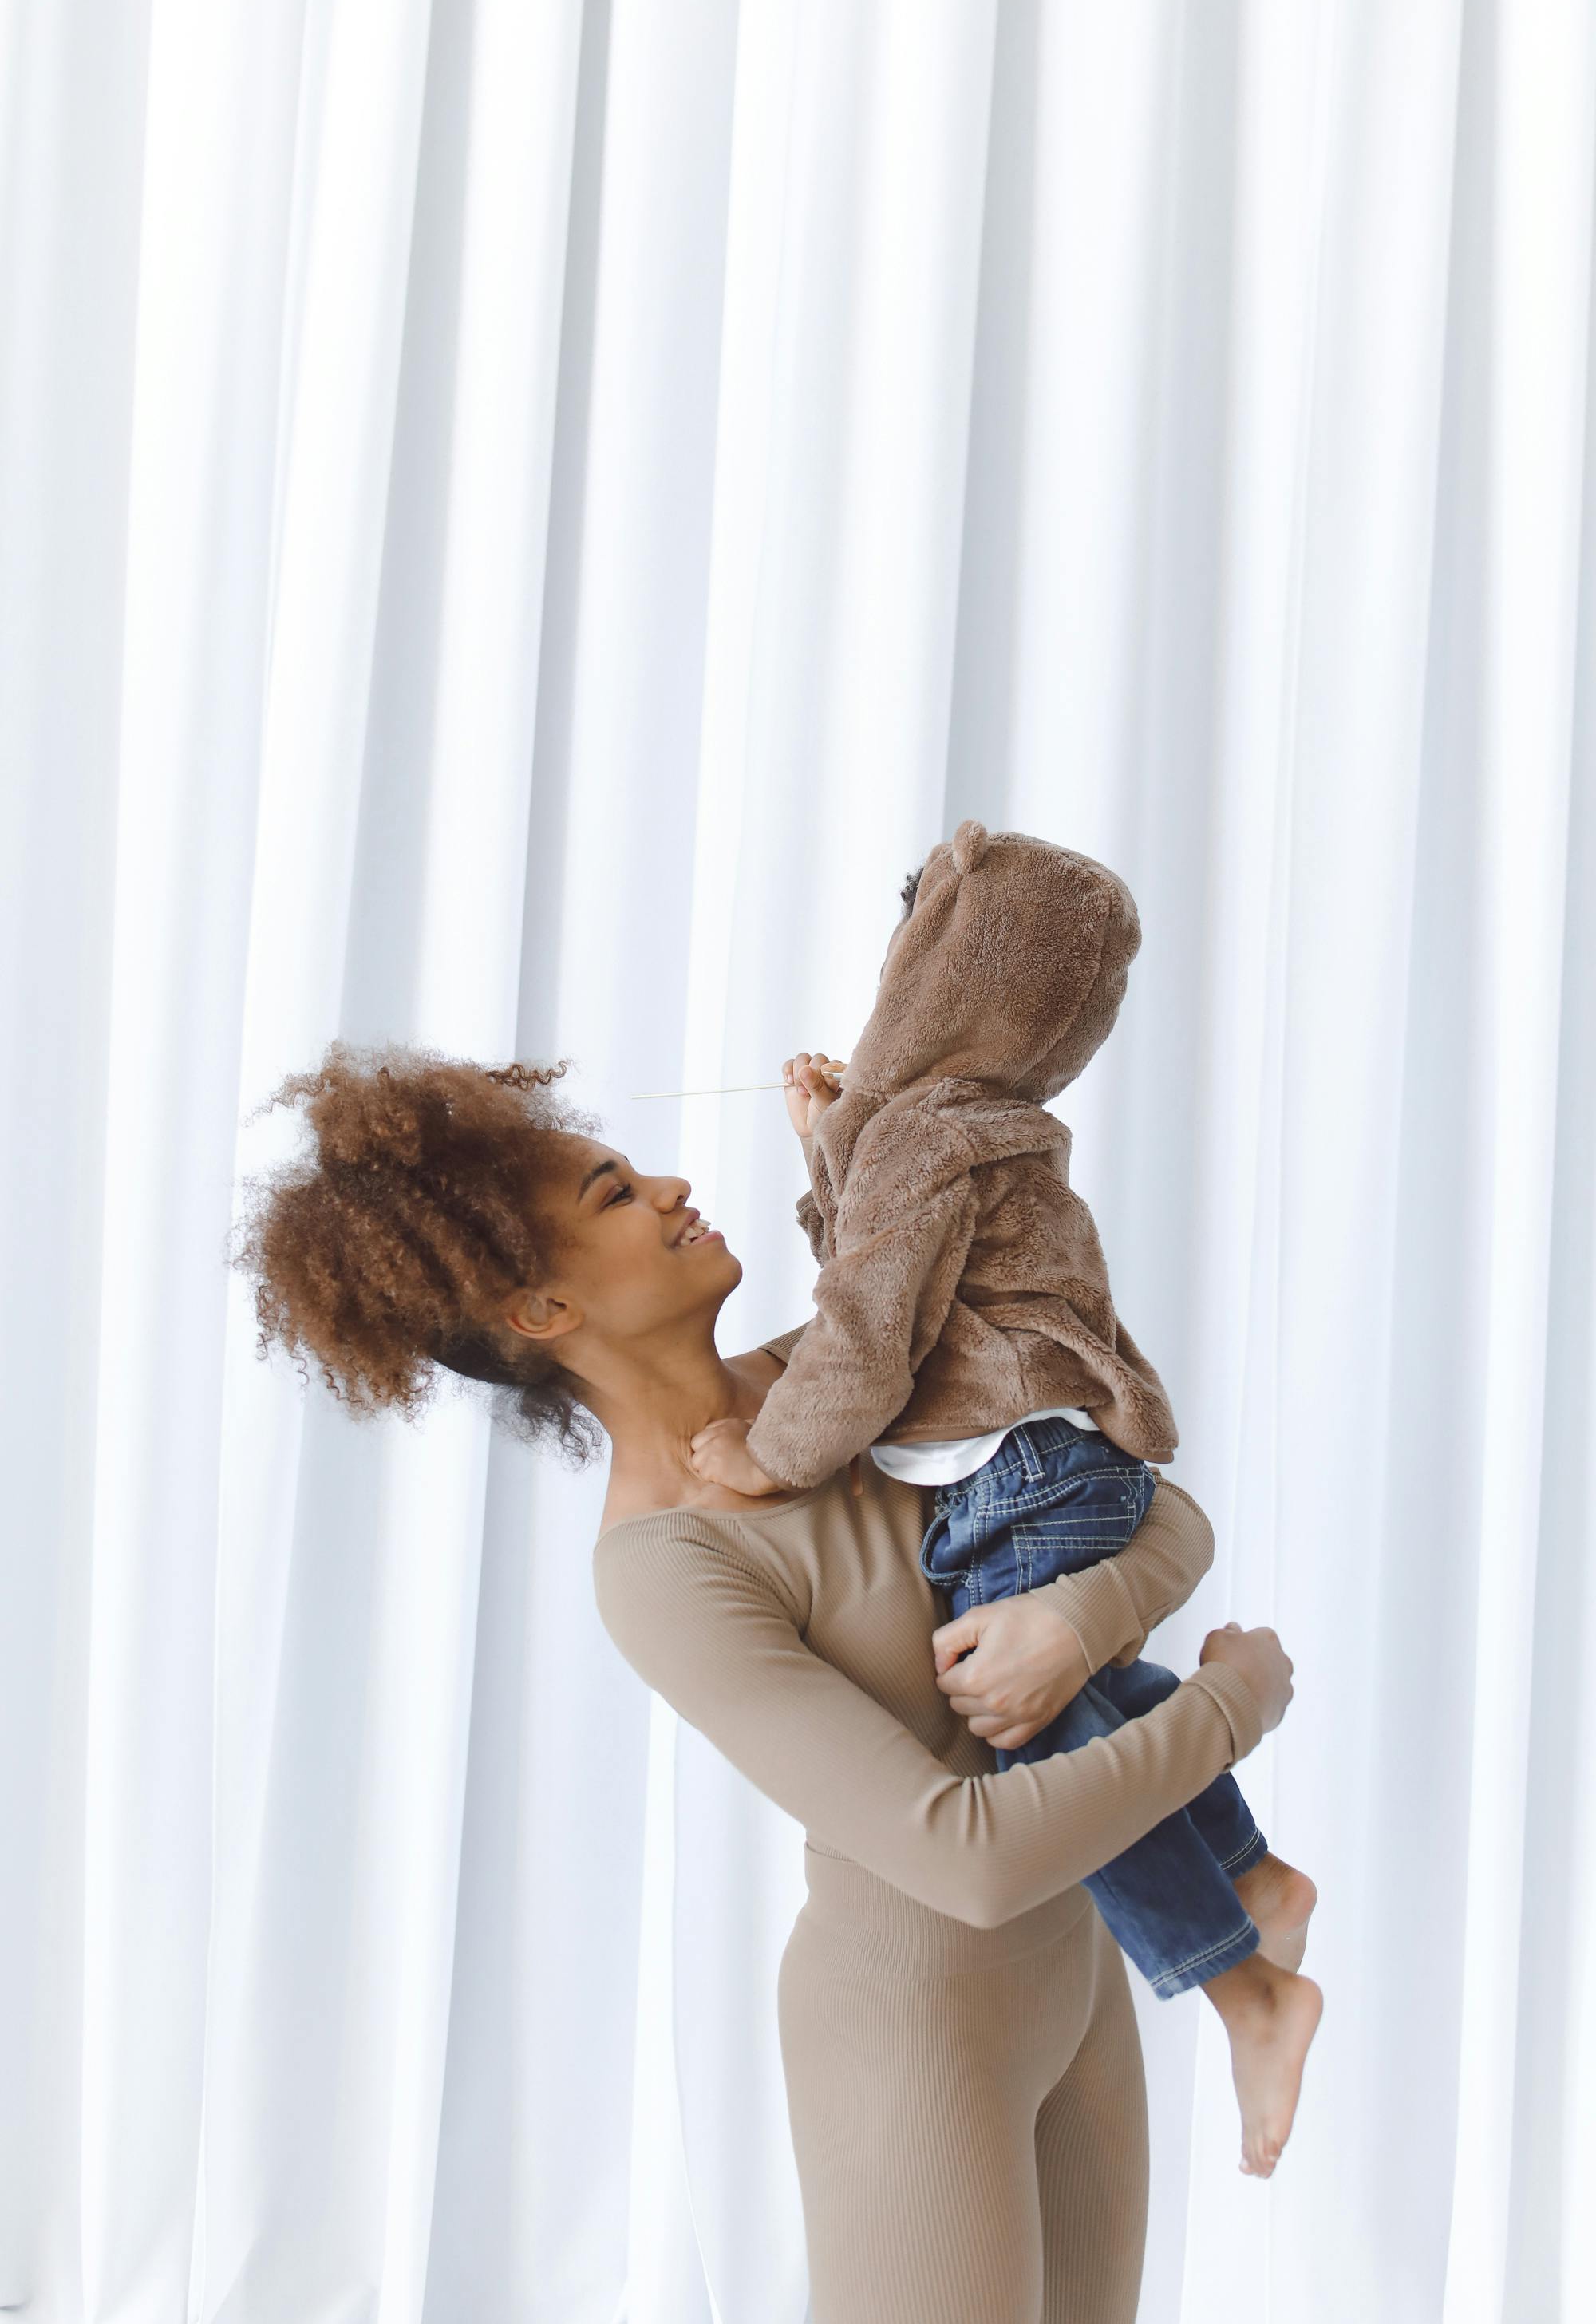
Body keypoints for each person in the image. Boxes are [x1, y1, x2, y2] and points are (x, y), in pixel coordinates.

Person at [231, 1038, 1298, 2324]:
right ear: (542, 1313)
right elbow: (966, 1856)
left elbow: (1146, 1500)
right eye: (615, 1195)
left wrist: (1083, 1619)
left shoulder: (846, 1381)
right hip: (916, 2034)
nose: (674, 1187)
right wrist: (1233, 1702)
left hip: (1083, 1966)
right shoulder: (666, 1566)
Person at [685, 823, 1322, 2172]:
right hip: (1062, 1466)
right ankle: (1254, 1876)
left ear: (939, 974)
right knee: (1087, 1709)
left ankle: (1244, 1982)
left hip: (1020, 1473)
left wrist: (774, 1456)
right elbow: (889, 1261)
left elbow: (865, 1327)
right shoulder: (972, 1129)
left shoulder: (922, 1137)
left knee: (1031, 1730)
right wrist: (828, 1143)